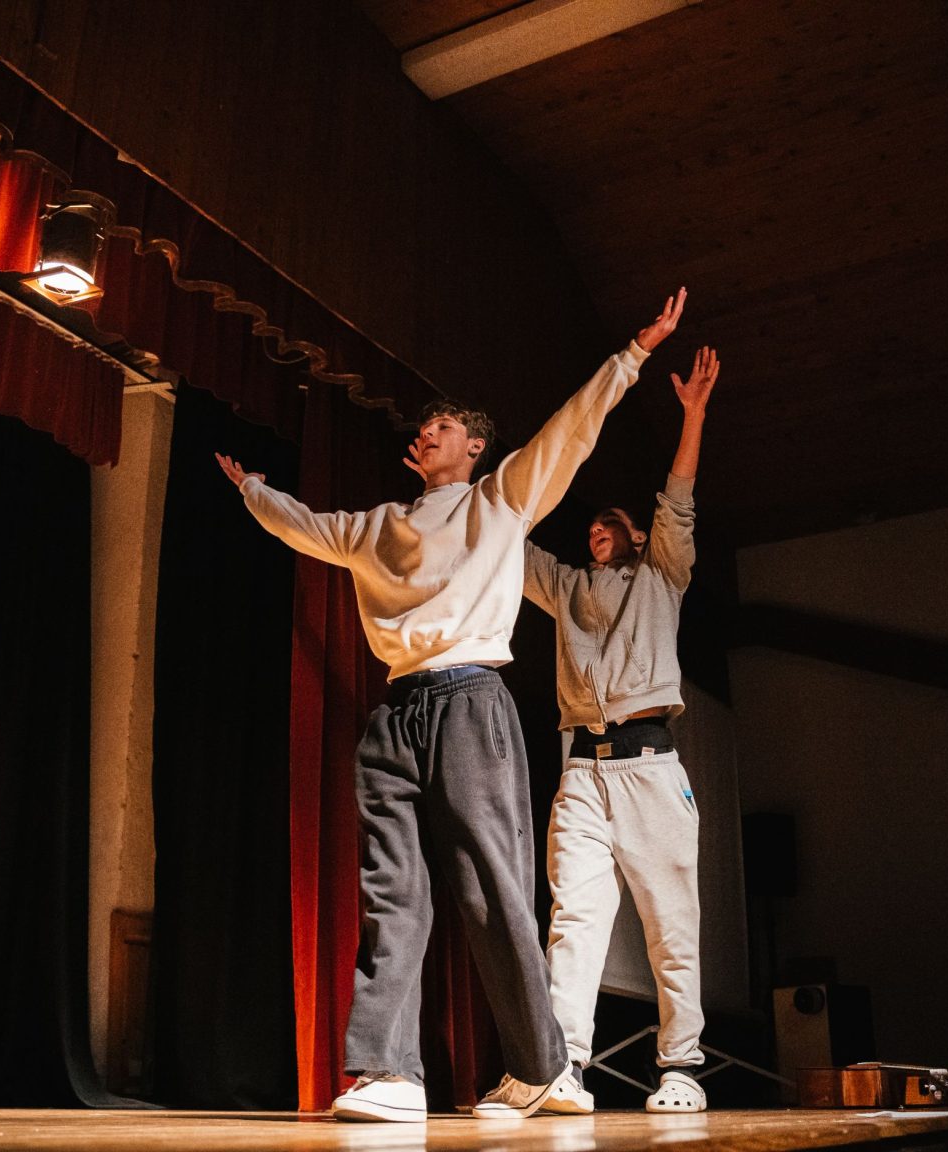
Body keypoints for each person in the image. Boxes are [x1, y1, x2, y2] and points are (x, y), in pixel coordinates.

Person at [214, 289, 689, 1123]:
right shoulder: (378, 526)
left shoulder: (499, 499)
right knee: (391, 890)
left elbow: (572, 430)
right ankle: (390, 1073)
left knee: (491, 887)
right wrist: (254, 489)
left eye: (444, 426)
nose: (426, 432)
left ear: (473, 447)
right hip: (396, 714)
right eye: (423, 427)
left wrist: (633, 356)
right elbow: (305, 526)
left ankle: (540, 1067)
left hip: (471, 701)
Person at [522, 344, 720, 1115]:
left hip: (649, 767)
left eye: (612, 524)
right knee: (574, 921)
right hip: (582, 772)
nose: (597, 531)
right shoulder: (568, 586)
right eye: (592, 528)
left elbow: (679, 499)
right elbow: (509, 541)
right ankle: (563, 1066)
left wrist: (692, 415)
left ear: (637, 536)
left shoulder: (662, 574)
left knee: (671, 924)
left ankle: (682, 1069)